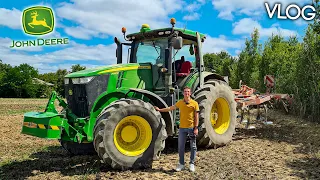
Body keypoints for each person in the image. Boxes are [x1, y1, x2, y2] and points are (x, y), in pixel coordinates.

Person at [154, 86, 199, 172]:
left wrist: (196, 128)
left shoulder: (194, 103)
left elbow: (196, 116)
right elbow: (170, 108)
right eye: (185, 92)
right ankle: (181, 164)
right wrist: (160, 110)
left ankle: (191, 164)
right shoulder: (180, 103)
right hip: (182, 129)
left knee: (193, 147)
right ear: (183, 93)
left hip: (191, 128)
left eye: (188, 92)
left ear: (190, 93)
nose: (187, 93)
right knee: (181, 147)